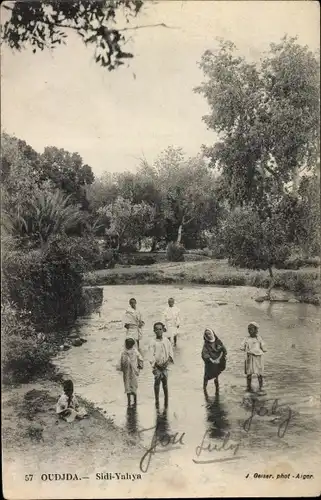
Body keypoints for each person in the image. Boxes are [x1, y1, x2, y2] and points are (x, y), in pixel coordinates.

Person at [149, 322, 174, 408]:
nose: (159, 331)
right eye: (157, 329)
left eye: (160, 329)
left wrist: (167, 362)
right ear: (154, 331)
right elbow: (151, 355)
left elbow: (170, 352)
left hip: (165, 365)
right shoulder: (152, 342)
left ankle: (166, 399)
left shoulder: (166, 340)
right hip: (157, 366)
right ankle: (156, 399)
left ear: (163, 330)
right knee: (157, 382)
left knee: (165, 382)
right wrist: (156, 364)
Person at [117, 337, 144, 407]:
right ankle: (129, 401)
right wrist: (120, 368)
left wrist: (140, 365)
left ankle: (134, 401)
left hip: (133, 371)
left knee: (133, 385)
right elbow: (120, 361)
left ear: (132, 345)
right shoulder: (124, 352)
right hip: (127, 371)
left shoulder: (134, 351)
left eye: (129, 344)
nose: (128, 345)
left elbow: (140, 358)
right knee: (127, 385)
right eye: (127, 344)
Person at [241, 321, 266, 392]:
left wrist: (261, 350)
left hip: (258, 358)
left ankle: (260, 387)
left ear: (256, 330)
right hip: (249, 357)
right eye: (249, 329)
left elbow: (264, 348)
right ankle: (248, 387)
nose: (249, 331)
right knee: (249, 373)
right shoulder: (246, 338)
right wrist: (246, 348)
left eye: (251, 329)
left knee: (259, 373)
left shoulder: (259, 338)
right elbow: (242, 347)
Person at [202, 328, 227, 394]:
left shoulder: (218, 341)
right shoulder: (206, 344)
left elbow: (223, 350)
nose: (209, 335)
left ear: (213, 333)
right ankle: (204, 389)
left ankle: (217, 389)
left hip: (217, 362)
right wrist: (212, 360)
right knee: (206, 376)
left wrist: (219, 359)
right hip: (210, 363)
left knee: (216, 376)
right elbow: (204, 354)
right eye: (207, 334)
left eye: (210, 334)